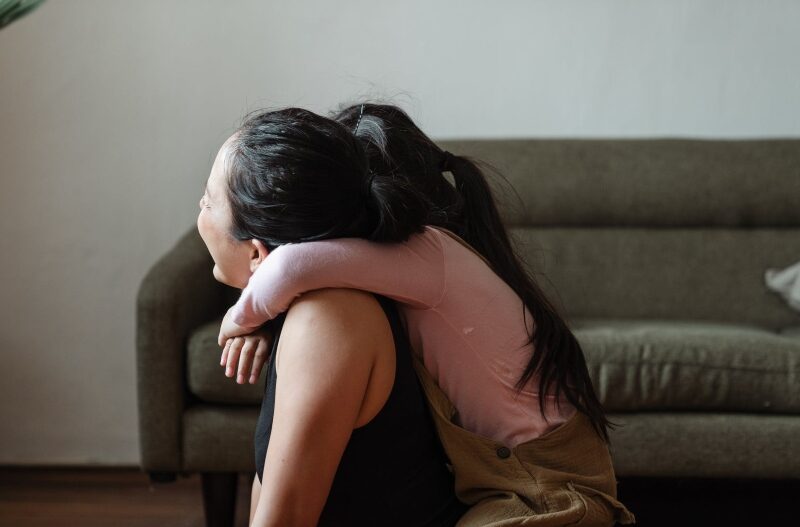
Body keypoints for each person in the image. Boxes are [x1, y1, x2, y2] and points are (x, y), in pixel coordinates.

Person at [218, 103, 637, 526]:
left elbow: (291, 265)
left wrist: (240, 319)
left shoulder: (427, 250)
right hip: (510, 480)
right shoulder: (407, 274)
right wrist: (269, 323)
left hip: (546, 489)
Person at [197, 108, 468, 526]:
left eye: (208, 202)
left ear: (257, 253)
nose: (199, 211)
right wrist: (261, 320)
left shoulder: (325, 320)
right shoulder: (316, 301)